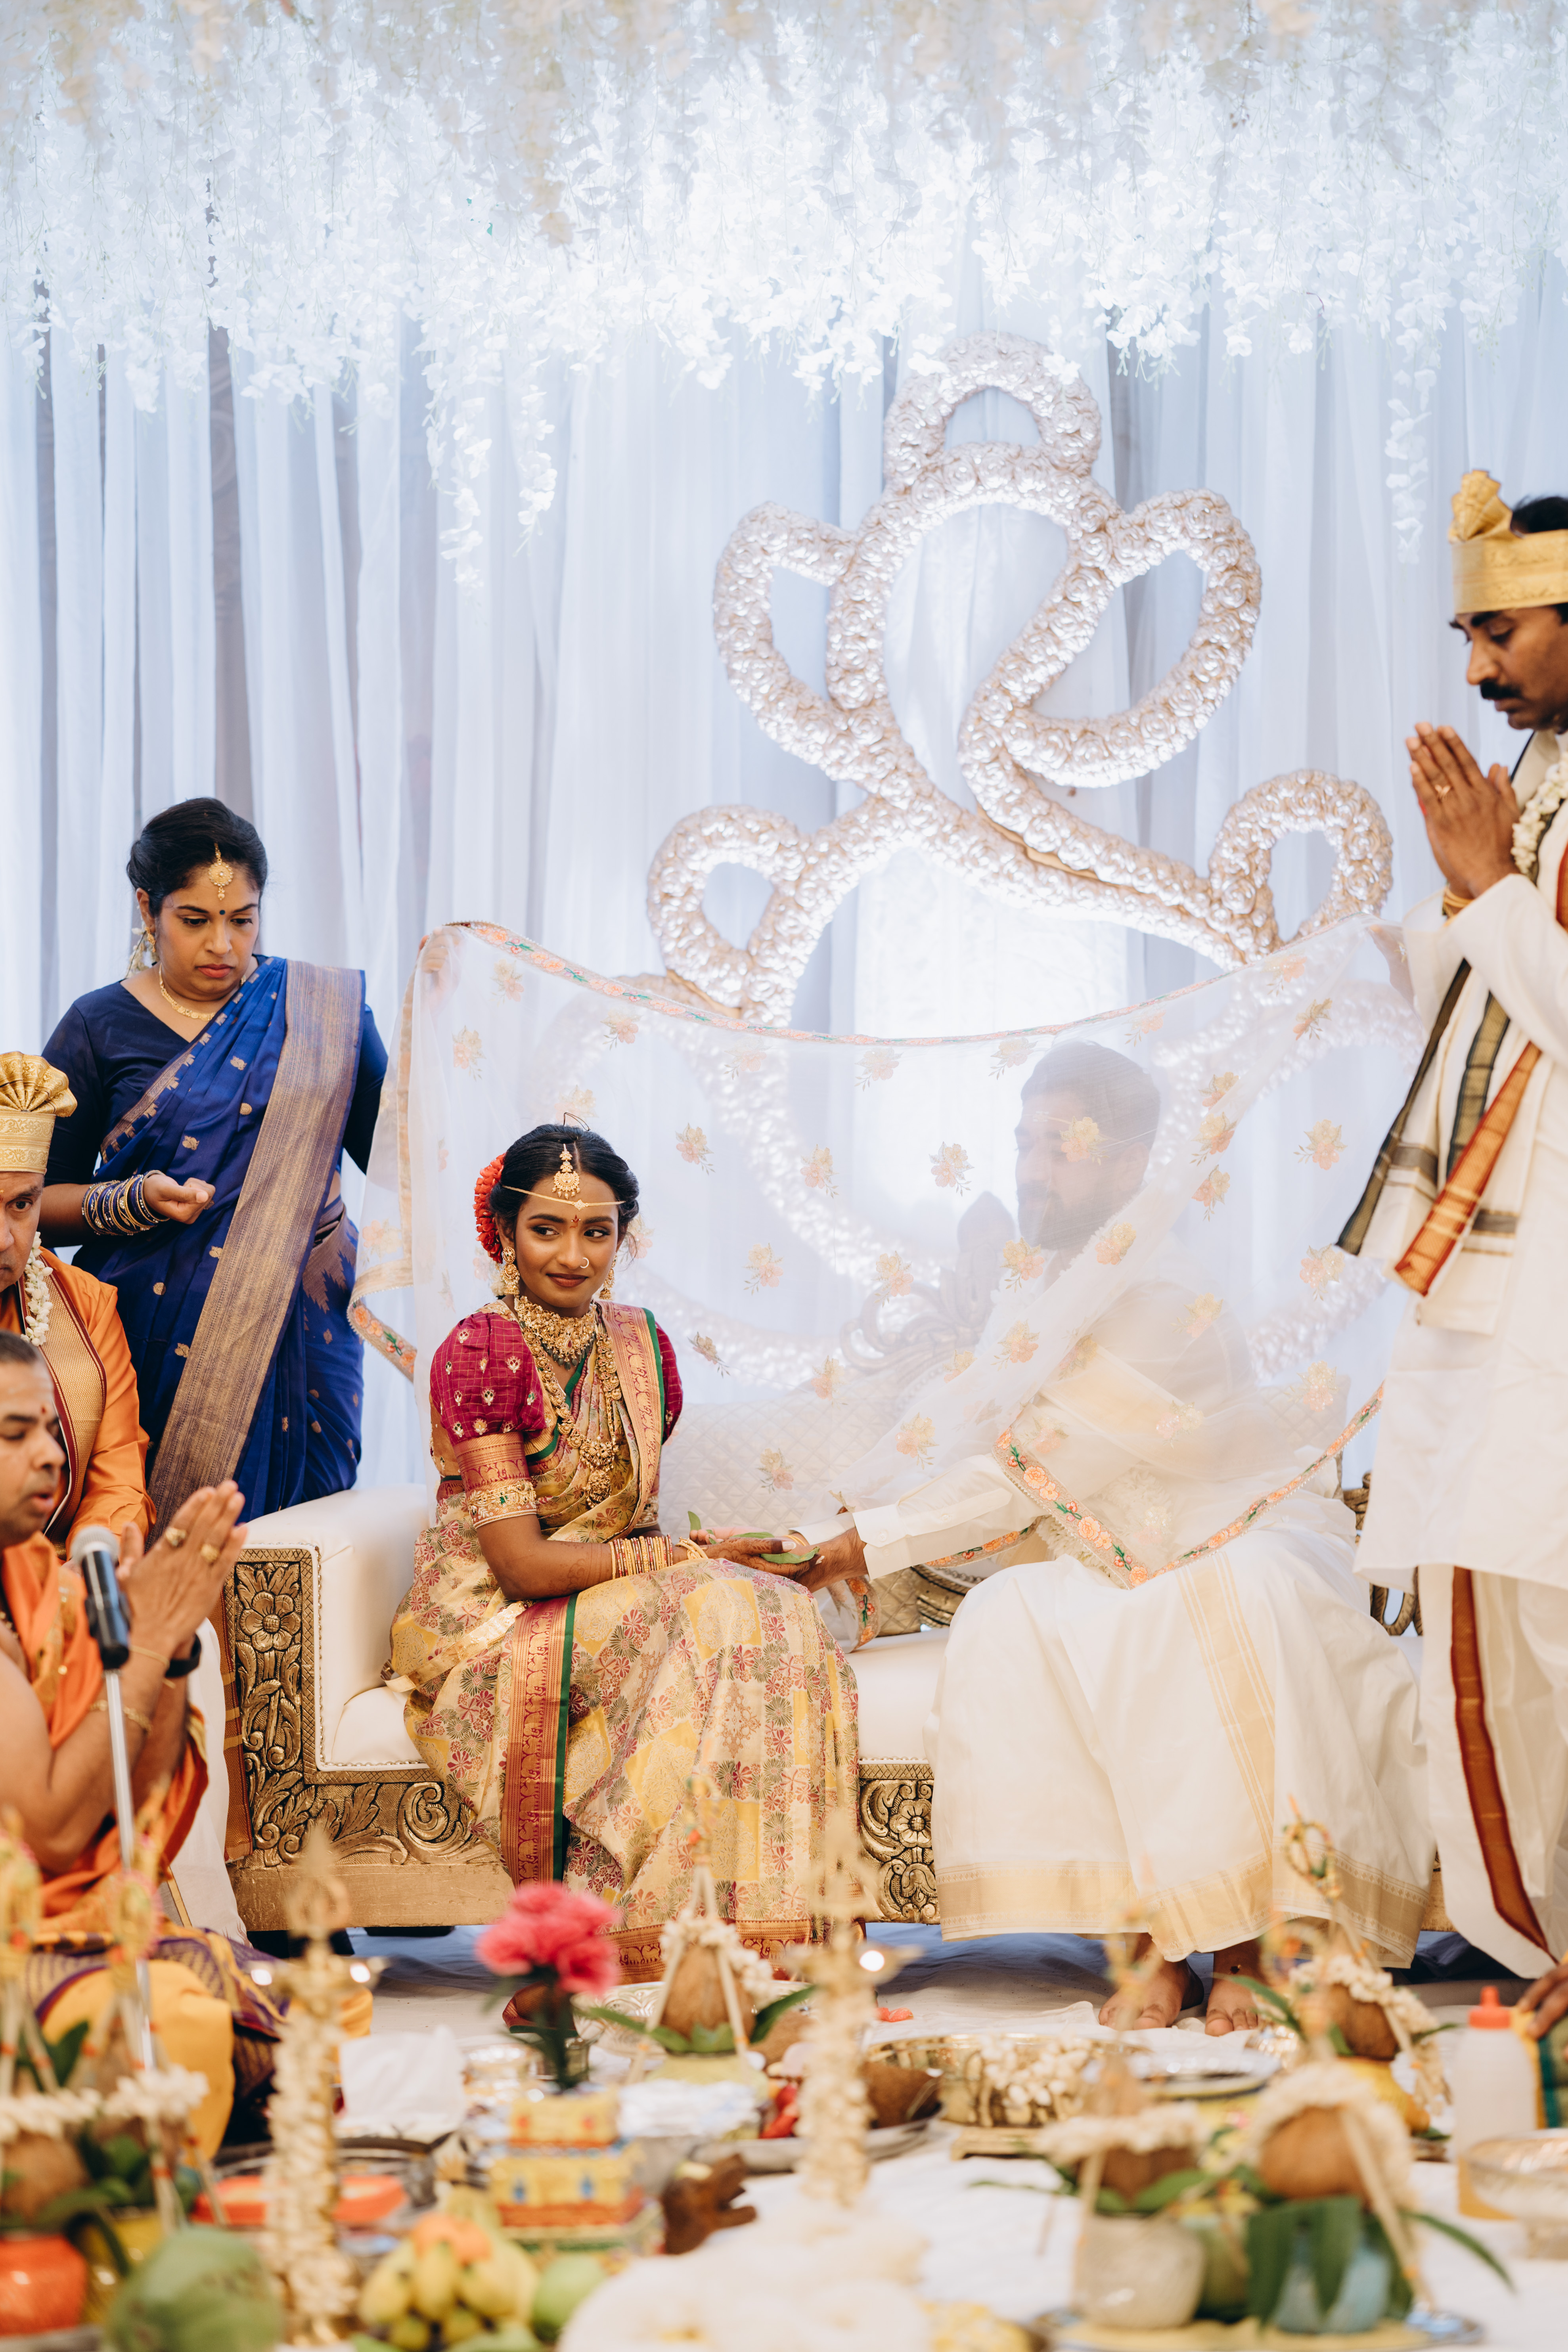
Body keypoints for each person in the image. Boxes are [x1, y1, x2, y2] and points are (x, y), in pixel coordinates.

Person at [783, 1043, 1433, 2032]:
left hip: (1226, 1531)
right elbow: (971, 1444)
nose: (1033, 1168)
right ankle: (1147, 1944)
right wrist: (834, 1532)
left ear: (1130, 1162)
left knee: (1221, 1601)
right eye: (1025, 1143)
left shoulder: (1162, 1290)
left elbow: (1031, 1465)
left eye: (1063, 1145)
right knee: (1016, 1613)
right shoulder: (1041, 1287)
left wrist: (860, 1544)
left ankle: (1253, 1944)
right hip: (1103, 1551)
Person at [387, 1125, 862, 1974]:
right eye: (546, 1228)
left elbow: (625, 1527)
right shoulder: (482, 1351)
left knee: (778, 1605)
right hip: (495, 1610)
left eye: (596, 1231)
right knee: (719, 1609)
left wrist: (711, 1555)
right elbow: (522, 1565)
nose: (573, 1255)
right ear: (504, 1231)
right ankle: (633, 1943)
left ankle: (771, 1944)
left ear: (622, 1236)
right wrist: (680, 1562)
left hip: (603, 1588)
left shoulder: (644, 1347)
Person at [1340, 472, 1568, 1980]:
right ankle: (1534, 1942)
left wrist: (1486, 890)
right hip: (1491, 1266)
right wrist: (1463, 897)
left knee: (1543, 1615)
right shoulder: (1535, 781)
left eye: (1503, 631)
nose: (1478, 669)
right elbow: (1467, 1006)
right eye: (1467, 637)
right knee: (1489, 1605)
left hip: (1547, 1272)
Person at [37, 796, 387, 1527]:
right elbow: (31, 1204)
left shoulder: (325, 1011)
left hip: (300, 1325)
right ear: (148, 907)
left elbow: (398, 1163)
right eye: (195, 920)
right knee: (152, 1530)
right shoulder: (97, 1025)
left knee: (304, 1547)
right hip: (148, 1331)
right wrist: (131, 1199)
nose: (222, 944)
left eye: (243, 919)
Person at [0, 1328, 253, 2150]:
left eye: (51, 1430)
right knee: (192, 2023)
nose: (53, 1455)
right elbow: (50, 1830)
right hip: (18, 1936)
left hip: (60, 1916)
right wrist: (144, 1640)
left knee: (300, 2002)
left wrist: (169, 1646)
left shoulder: (33, 1578)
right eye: (15, 1433)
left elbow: (132, 1797)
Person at [0, 1054, 150, 1548]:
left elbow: (118, 1481)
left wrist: (89, 1566)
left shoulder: (85, 1304)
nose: (4, 1239)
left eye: (21, 1204)